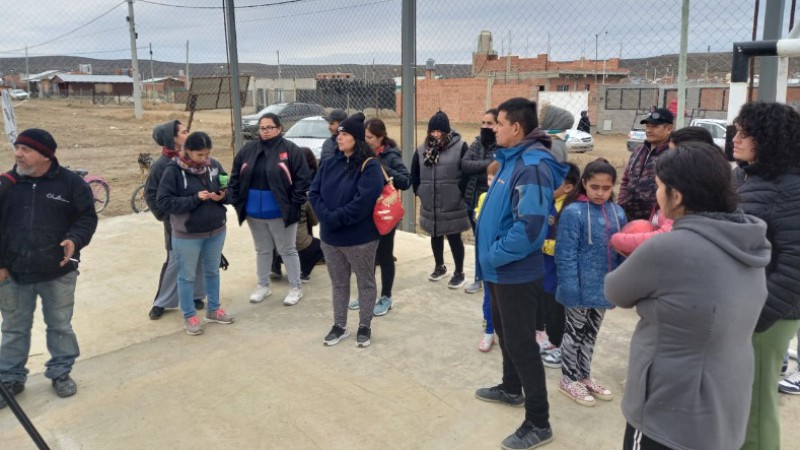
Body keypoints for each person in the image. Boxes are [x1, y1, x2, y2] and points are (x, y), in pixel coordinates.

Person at [605, 142, 770, 450]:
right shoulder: (750, 241)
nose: (656, 194)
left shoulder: (667, 248)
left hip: (668, 413)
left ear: (676, 196)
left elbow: (615, 290)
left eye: (658, 187)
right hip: (725, 407)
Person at [474, 97, 567, 450]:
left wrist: (494, 255)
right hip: (499, 271)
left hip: (513, 272)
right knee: (505, 332)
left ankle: (539, 422)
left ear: (516, 128)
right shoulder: (510, 161)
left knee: (522, 344)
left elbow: (530, 229)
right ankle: (511, 388)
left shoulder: (531, 166)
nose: (492, 128)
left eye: (497, 123)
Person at [0, 129, 98, 407]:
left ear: (46, 156)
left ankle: (61, 372)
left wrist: (74, 239)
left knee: (60, 326)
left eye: (26, 149)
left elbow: (86, 219)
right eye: (17, 147)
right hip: (13, 274)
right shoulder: (5, 185)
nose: (18, 153)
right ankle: (10, 378)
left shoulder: (72, 185)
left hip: (58, 272)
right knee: (14, 328)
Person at [732, 102, 800, 450]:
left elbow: (795, 265)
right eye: (737, 129)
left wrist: (758, 316)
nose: (736, 137)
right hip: (749, 310)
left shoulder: (790, 189)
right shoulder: (751, 177)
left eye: (746, 133)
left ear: (770, 139)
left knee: (756, 410)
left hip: (767, 316)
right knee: (741, 403)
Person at [554, 158, 626, 406]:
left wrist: (617, 287)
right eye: (594, 187)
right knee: (574, 334)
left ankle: (584, 376)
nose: (600, 193)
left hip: (603, 289)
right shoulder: (573, 212)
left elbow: (621, 252)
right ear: (584, 183)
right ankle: (567, 379)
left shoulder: (618, 213)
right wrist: (570, 289)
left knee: (591, 335)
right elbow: (565, 254)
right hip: (578, 289)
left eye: (606, 188)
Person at [309, 114, 383, 348]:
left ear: (357, 139)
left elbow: (363, 202)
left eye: (345, 134)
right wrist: (325, 217)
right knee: (339, 283)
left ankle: (364, 325)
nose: (339, 138)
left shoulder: (370, 166)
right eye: (338, 134)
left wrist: (334, 217)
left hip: (360, 239)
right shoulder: (329, 162)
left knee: (365, 282)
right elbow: (314, 192)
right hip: (330, 238)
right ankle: (339, 325)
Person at [229, 112, 311, 307]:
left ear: (279, 128)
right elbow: (235, 177)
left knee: (287, 249)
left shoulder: (290, 150)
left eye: (270, 128)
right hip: (254, 213)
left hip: (280, 212)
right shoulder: (248, 149)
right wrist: (236, 200)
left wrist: (294, 204)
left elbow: (303, 180)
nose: (265, 132)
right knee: (262, 250)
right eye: (262, 128)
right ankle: (263, 285)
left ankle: (295, 287)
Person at [156, 132, 232, 336]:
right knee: (187, 277)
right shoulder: (173, 170)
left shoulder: (214, 166)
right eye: (200, 154)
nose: (205, 159)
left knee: (212, 272)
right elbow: (163, 202)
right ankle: (189, 315)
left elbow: (229, 188)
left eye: (207, 154)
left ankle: (214, 310)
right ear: (187, 151)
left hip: (216, 231)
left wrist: (223, 196)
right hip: (187, 235)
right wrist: (194, 199)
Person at [348, 118, 410, 316]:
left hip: (384, 215)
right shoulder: (360, 154)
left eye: (370, 137)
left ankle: (386, 297)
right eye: (364, 137)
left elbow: (405, 181)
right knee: (366, 257)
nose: (366, 141)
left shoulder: (391, 155)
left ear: (381, 137)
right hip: (366, 214)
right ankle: (367, 294)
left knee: (384, 256)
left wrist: (382, 168)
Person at [144, 120, 206, 320]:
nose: (188, 134)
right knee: (174, 261)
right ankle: (161, 301)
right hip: (175, 222)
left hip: (197, 218)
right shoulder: (162, 165)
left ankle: (196, 296)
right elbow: (151, 194)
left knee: (197, 259)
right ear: (172, 139)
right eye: (183, 131)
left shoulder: (192, 158)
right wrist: (166, 215)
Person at [411, 110, 471, 289]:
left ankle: (459, 272)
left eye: (439, 131)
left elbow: (467, 174)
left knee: (454, 238)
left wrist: (458, 194)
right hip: (430, 202)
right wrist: (420, 191)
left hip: (452, 204)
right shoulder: (422, 150)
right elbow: (415, 174)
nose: (435, 135)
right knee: (435, 235)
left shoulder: (460, 147)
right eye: (432, 131)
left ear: (446, 131)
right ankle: (439, 266)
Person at [538, 162, 579, 368]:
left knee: (557, 310)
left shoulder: (568, 210)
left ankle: (560, 348)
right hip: (545, 270)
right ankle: (553, 342)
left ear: (568, 187)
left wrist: (540, 244)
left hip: (558, 272)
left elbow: (565, 245)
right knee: (546, 306)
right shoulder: (549, 202)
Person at [271, 147, 325, 282]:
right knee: (310, 240)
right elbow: (314, 221)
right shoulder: (312, 177)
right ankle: (303, 271)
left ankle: (275, 266)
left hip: (277, 231)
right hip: (304, 214)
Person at [461, 109, 498, 294]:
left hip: (491, 203)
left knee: (491, 243)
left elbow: (499, 167)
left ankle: (492, 278)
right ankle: (478, 277)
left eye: (489, 123)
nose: (485, 126)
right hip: (472, 201)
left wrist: (485, 168)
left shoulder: (502, 146)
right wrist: (488, 165)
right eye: (483, 123)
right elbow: (465, 165)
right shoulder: (476, 144)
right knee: (479, 242)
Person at [618, 107, 673, 221]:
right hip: (629, 215)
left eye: (654, 126)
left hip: (656, 219)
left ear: (668, 129)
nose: (648, 130)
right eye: (647, 126)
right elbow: (625, 180)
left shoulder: (673, 154)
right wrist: (622, 203)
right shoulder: (638, 151)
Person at [475, 160, 500, 352]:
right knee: (489, 297)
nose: (491, 182)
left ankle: (500, 330)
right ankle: (488, 330)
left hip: (503, 256)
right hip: (487, 255)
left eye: (496, 178)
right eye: (489, 178)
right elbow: (479, 217)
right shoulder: (484, 197)